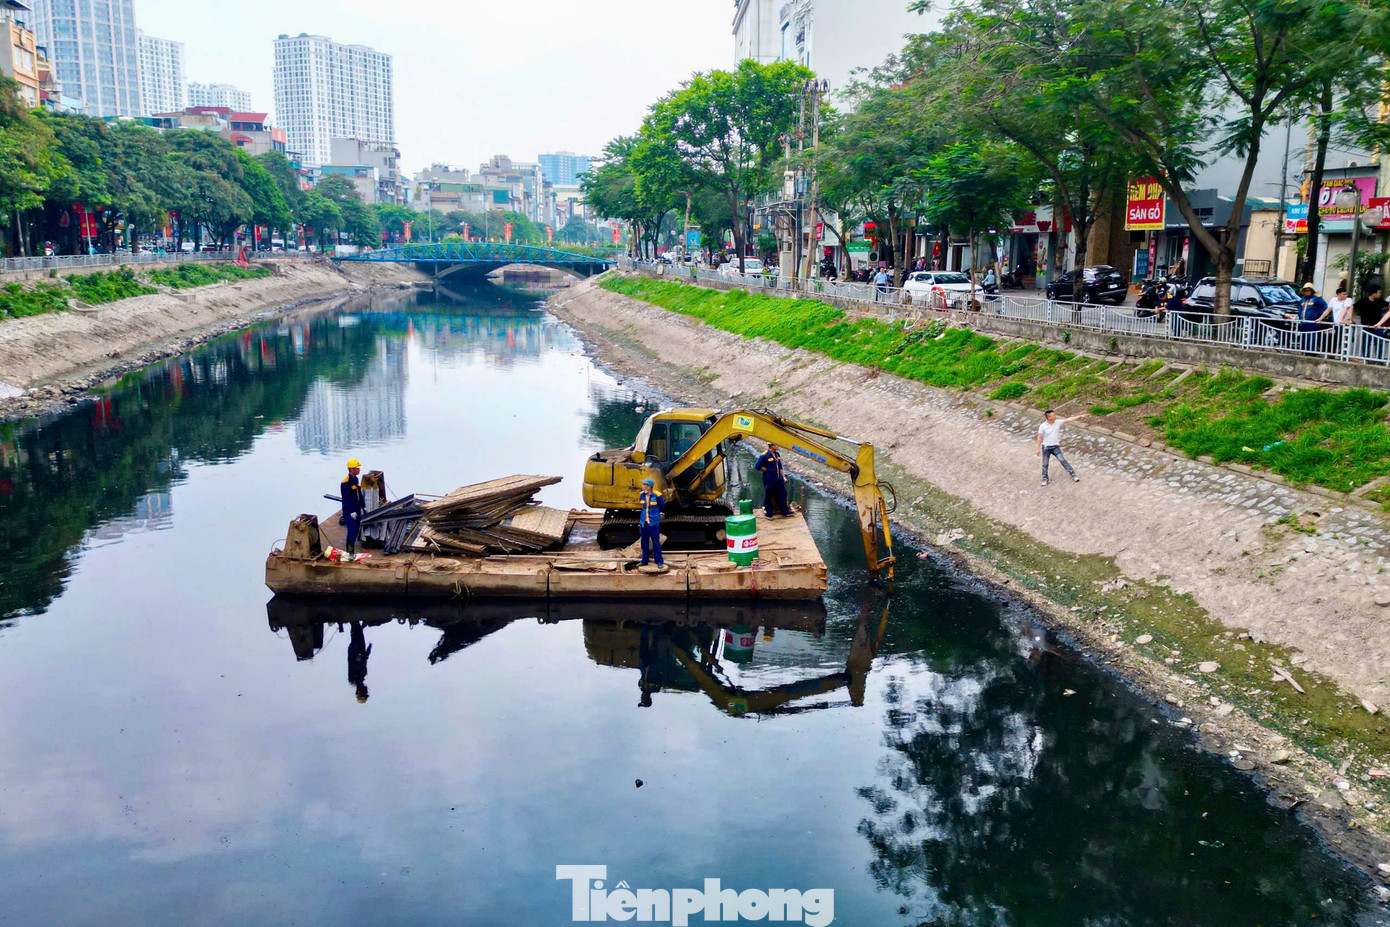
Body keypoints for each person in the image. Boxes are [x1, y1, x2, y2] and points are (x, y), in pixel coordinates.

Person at [1036, 409, 1086, 486]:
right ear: (1049, 417)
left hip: (1055, 447)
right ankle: (1045, 478)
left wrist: (1080, 416)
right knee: (1045, 464)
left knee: (1062, 460)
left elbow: (1068, 420)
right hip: (1046, 447)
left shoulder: (1057, 422)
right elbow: (1039, 437)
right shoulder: (1043, 426)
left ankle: (1073, 474)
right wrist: (1037, 449)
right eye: (1053, 415)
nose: (1055, 416)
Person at [754, 443, 794, 517]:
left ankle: (785, 511)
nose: (778, 446)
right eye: (776, 445)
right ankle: (769, 513)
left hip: (778, 479)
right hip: (769, 479)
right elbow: (757, 465)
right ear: (772, 446)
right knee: (768, 495)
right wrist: (765, 470)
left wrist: (783, 477)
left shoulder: (777, 454)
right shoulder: (765, 455)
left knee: (782, 494)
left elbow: (780, 466)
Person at [637, 477, 666, 571]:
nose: (642, 486)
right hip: (644, 523)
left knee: (656, 542)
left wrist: (656, 516)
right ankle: (644, 560)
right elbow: (643, 506)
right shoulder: (641, 495)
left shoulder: (657, 495)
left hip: (653, 523)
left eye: (644, 485)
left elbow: (662, 506)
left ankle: (659, 561)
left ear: (649, 486)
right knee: (644, 542)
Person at [340, 457, 365, 555]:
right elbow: (346, 498)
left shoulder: (355, 479)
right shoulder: (345, 483)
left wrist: (363, 505)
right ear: (351, 469)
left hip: (357, 508)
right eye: (357, 468)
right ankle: (350, 552)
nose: (359, 470)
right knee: (351, 529)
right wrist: (351, 511)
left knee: (357, 528)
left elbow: (359, 493)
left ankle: (352, 548)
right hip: (349, 510)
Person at [1297, 282, 1330, 352]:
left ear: (1311, 291)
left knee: (1311, 338)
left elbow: (1325, 307)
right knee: (1303, 338)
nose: (1307, 292)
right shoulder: (1302, 299)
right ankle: (1303, 352)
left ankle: (1311, 352)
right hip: (1303, 322)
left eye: (1308, 290)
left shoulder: (1317, 299)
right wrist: (1299, 316)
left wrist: (1319, 317)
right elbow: (1300, 309)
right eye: (1305, 290)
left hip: (1312, 322)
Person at [347, 620, 371, 703]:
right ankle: (356, 620)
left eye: (364, 692)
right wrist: (368, 651)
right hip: (360, 650)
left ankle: (351, 616)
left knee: (356, 631)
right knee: (358, 632)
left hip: (355, 650)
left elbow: (355, 664)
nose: (365, 690)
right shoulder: (362, 675)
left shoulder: (353, 679)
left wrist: (361, 657)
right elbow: (364, 661)